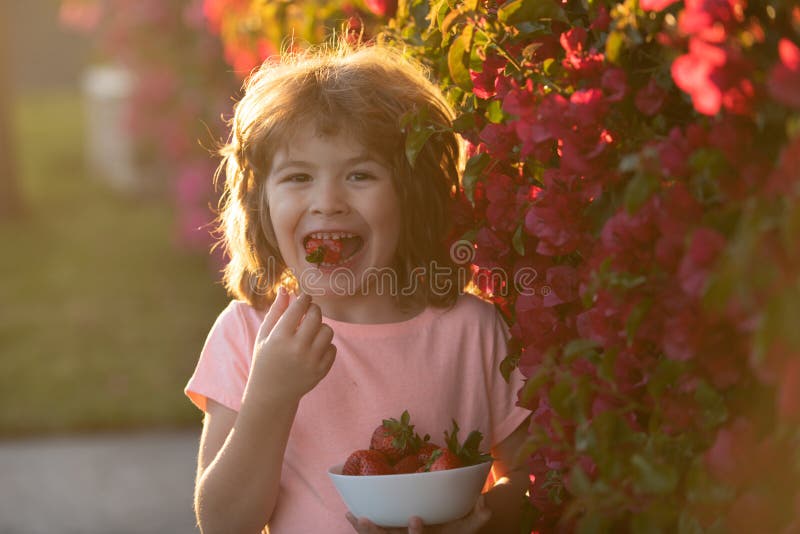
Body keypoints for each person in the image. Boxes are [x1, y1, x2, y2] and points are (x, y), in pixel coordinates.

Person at [185, 42, 531, 534]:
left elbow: (534, 480)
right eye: (298, 176)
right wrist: (270, 394)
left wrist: (481, 524)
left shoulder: (472, 330)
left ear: (412, 198)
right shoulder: (249, 334)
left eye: (360, 174)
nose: (327, 201)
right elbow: (223, 523)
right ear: (261, 206)